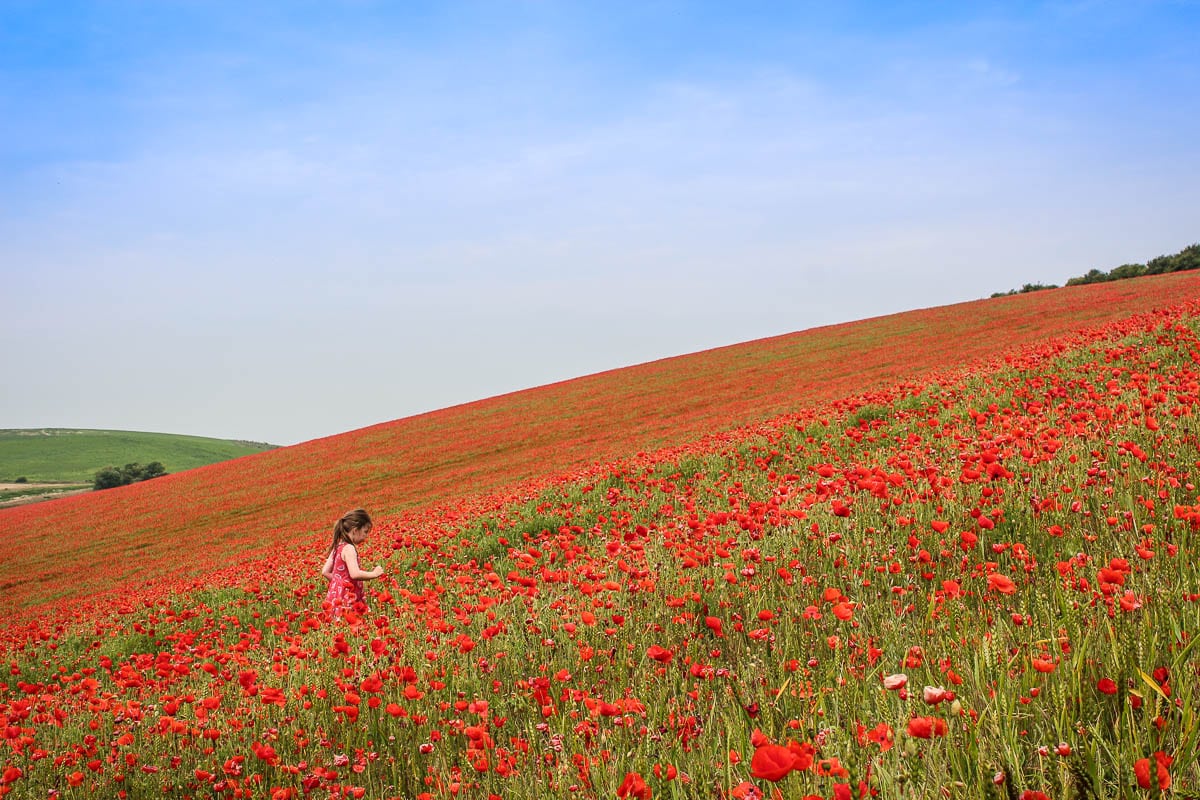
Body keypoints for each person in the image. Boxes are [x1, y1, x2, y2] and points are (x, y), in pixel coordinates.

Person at [321, 508, 385, 618]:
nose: (366, 536)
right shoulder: (349, 548)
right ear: (355, 530)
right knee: (353, 624)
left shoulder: (337, 546)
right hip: (348, 598)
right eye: (365, 531)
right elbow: (354, 574)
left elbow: (325, 572)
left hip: (335, 597)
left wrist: (340, 584)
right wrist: (374, 574)